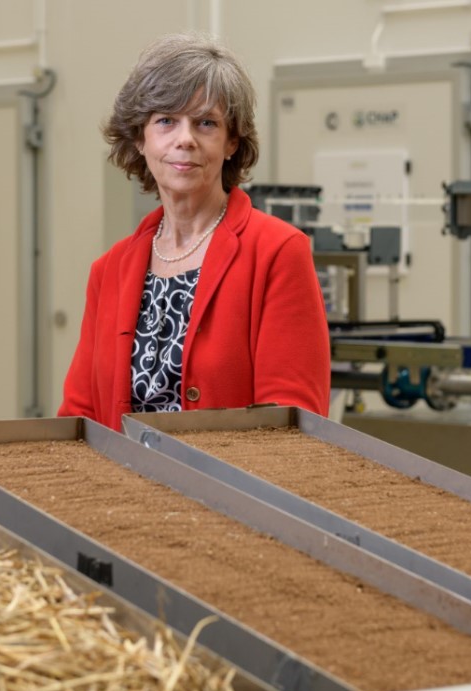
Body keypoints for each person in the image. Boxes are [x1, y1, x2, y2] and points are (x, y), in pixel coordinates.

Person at [58, 32, 330, 431]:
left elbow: (293, 425)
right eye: (166, 121)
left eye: (205, 123)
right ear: (140, 138)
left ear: (232, 141)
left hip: (234, 475)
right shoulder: (109, 271)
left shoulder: (278, 252)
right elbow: (79, 420)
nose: (184, 139)